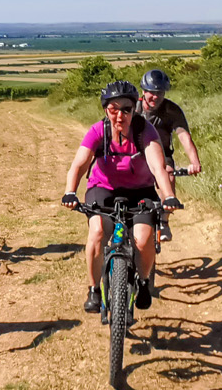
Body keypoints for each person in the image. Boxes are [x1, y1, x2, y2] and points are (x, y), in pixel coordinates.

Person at [61, 80, 181, 314]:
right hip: (103, 188)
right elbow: (79, 165)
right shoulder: (99, 131)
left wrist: (168, 196)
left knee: (143, 239)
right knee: (97, 232)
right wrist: (70, 192)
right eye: (113, 109)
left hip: (141, 190)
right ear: (105, 110)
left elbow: (157, 167)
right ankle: (94, 289)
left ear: (134, 109)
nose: (120, 115)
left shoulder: (144, 130)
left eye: (126, 109)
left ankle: (143, 281)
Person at [137, 68, 202, 243]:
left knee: (169, 175)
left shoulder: (171, 110)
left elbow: (184, 136)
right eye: (151, 92)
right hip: (134, 153)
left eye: (160, 92)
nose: (155, 97)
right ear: (143, 91)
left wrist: (194, 162)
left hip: (162, 153)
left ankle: (164, 220)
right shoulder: (133, 108)